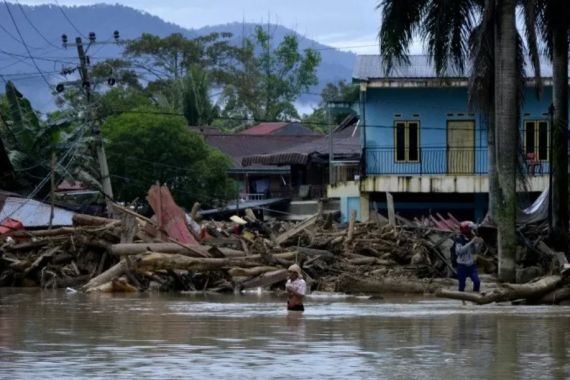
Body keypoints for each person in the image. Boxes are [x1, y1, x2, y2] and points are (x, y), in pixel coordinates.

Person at [455, 221, 483, 292]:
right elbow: (459, 252)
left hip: (471, 265)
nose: (472, 231)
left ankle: (476, 298)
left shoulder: (472, 237)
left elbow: (475, 252)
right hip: (462, 265)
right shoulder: (459, 239)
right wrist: (471, 242)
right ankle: (461, 301)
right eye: (471, 229)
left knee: (477, 282)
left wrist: (480, 244)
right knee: (462, 286)